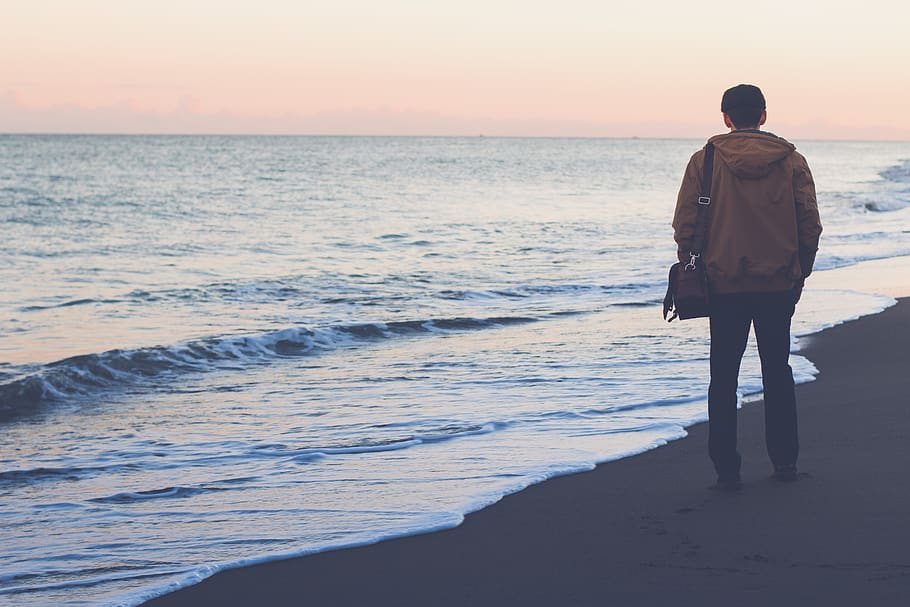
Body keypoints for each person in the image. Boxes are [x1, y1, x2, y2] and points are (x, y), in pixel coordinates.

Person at [672, 84, 823, 491]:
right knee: (778, 371)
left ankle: (726, 469)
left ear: (725, 117)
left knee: (723, 376)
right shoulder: (792, 161)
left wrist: (694, 263)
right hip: (777, 283)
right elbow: (809, 223)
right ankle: (785, 464)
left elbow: (685, 226)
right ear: (763, 115)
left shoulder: (704, 161)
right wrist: (799, 272)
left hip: (723, 284)